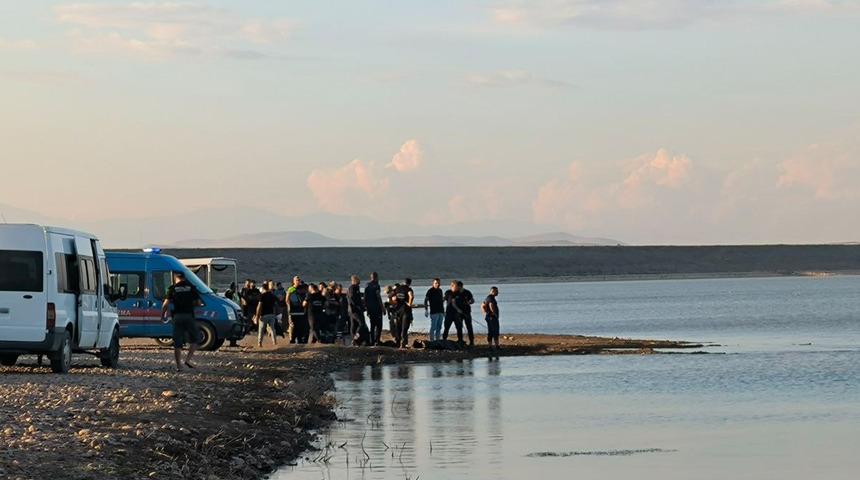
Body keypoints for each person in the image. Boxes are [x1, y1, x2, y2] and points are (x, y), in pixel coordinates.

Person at [161, 272, 203, 372]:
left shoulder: (172, 288)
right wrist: (190, 304)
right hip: (189, 315)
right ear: (184, 278)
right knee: (195, 338)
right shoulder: (191, 287)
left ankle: (179, 366)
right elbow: (198, 303)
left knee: (177, 342)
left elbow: (165, 304)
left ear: (176, 279)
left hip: (177, 316)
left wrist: (162, 315)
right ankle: (188, 360)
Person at [392, 279, 414, 349]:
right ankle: (403, 343)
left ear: (403, 282)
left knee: (398, 328)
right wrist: (409, 304)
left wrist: (394, 302)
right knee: (404, 329)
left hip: (398, 311)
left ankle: (398, 343)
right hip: (406, 311)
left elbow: (392, 297)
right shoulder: (409, 289)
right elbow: (411, 296)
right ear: (409, 283)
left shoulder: (397, 289)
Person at [256, 281, 278, 347]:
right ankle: (274, 342)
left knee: (261, 330)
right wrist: (274, 314)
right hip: (271, 314)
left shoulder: (262, 296)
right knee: (272, 329)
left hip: (263, 315)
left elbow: (259, 306)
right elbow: (275, 305)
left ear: (263, 288)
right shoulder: (272, 295)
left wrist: (257, 316)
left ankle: (259, 343)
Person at [287, 276, 308, 343]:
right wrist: (289, 308)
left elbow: (306, 297)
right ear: (293, 281)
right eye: (296, 280)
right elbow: (287, 300)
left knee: (300, 325)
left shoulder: (302, 289)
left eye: (299, 280)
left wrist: (305, 305)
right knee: (294, 325)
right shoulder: (291, 289)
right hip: (293, 310)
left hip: (301, 310)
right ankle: (292, 339)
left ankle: (299, 339)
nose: (298, 281)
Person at [365, 272, 384, 345]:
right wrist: (383, 308)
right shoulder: (376, 285)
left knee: (372, 326)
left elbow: (365, 298)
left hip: (370, 309)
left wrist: (367, 309)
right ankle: (377, 341)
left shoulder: (367, 285)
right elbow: (378, 297)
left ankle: (372, 341)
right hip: (377, 309)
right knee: (379, 326)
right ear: (376, 277)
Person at [347, 275, 366, 346]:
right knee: (361, 324)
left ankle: (355, 341)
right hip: (354, 310)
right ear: (355, 281)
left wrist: (364, 295)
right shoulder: (352, 288)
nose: (360, 281)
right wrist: (358, 307)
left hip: (353, 310)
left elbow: (357, 296)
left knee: (354, 325)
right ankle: (355, 338)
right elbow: (352, 298)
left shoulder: (356, 288)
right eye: (358, 280)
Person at [457, 281, 476, 347]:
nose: (458, 288)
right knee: (459, 327)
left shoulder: (467, 292)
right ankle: (460, 340)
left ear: (461, 286)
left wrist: (469, 302)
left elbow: (473, 300)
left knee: (469, 326)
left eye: (458, 287)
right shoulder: (456, 293)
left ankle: (471, 341)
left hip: (467, 312)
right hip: (459, 312)